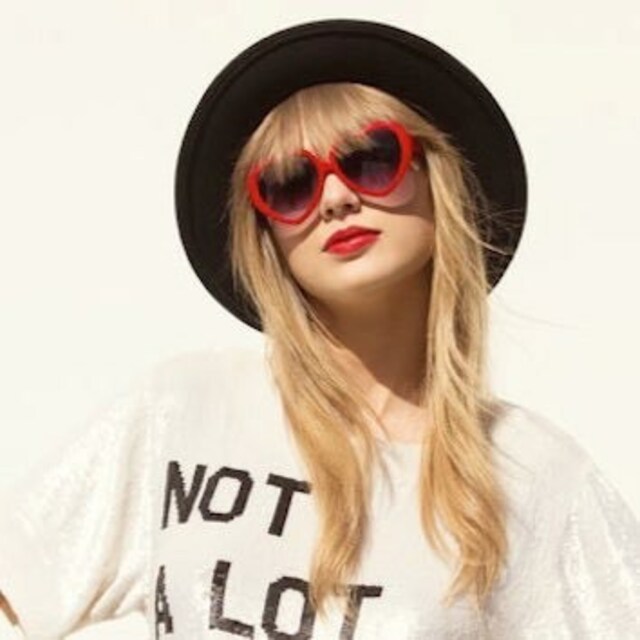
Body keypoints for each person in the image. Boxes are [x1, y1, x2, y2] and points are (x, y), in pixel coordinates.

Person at [1, 18, 639, 640]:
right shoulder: (184, 410)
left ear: (435, 176)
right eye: (290, 185)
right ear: (266, 236)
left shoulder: (536, 474)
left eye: (371, 160)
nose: (335, 199)